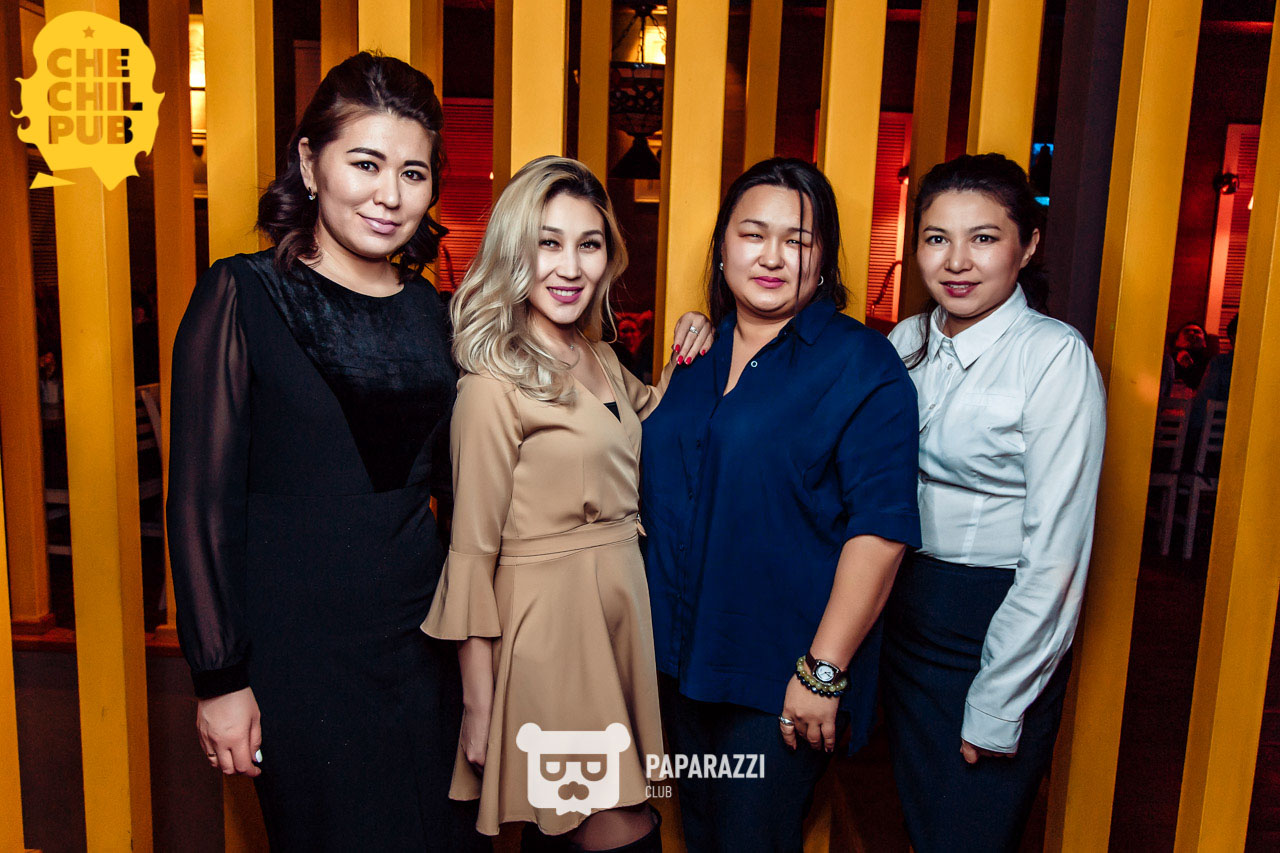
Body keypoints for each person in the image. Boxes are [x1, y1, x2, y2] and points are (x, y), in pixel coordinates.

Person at [167, 52, 482, 851]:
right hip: (301, 655)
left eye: (413, 172)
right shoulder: (241, 293)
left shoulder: (432, 310)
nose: (390, 194)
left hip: (427, 643)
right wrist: (219, 678)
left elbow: (477, 473)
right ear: (310, 163)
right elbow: (200, 505)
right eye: (366, 163)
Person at [423, 156, 714, 851]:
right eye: (548, 242)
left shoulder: (600, 357)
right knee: (618, 827)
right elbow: (471, 553)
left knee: (576, 828)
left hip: (616, 614)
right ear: (514, 250)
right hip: (550, 631)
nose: (570, 266)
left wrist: (694, 337)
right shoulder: (491, 384)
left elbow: (649, 428)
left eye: (589, 244)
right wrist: (479, 703)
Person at [639, 157, 922, 852]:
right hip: (675, 663)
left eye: (797, 240)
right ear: (722, 247)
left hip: (776, 676)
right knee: (700, 835)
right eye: (752, 234)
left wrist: (823, 672)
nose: (771, 257)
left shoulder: (861, 363)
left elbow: (882, 530)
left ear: (823, 259)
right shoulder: (694, 354)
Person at [882, 153, 1107, 852]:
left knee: (969, 832)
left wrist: (999, 698)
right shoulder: (905, 341)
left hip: (993, 621)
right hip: (902, 605)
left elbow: (1057, 553)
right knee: (920, 826)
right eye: (936, 237)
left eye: (983, 237)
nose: (957, 261)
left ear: (1027, 245)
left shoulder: (1054, 357)